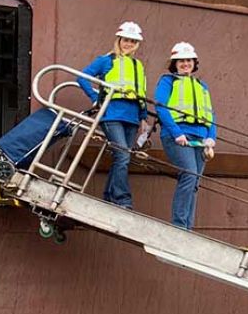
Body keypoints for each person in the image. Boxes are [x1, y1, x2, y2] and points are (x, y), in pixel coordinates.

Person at [78, 21, 147, 209]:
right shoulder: (106, 60)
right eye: (126, 40)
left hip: (132, 117)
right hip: (111, 115)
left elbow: (141, 93)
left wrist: (143, 118)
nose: (129, 44)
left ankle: (109, 196)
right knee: (123, 156)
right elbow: (82, 77)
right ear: (119, 40)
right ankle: (122, 200)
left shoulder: (138, 65)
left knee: (121, 158)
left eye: (133, 41)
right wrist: (95, 98)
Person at [155, 41, 216, 230]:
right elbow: (161, 107)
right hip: (178, 137)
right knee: (189, 175)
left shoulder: (202, 85)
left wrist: (211, 138)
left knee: (194, 182)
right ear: (174, 63)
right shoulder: (167, 81)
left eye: (188, 60)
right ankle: (179, 225)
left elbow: (210, 114)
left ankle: (188, 226)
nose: (185, 64)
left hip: (200, 140)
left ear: (194, 62)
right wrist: (177, 133)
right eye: (181, 61)